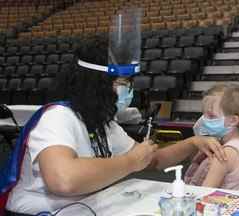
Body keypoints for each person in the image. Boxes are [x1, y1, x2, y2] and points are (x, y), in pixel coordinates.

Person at [5, 36, 226, 215]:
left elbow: (152, 159)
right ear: (96, 85)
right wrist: (130, 162)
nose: (127, 91)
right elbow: (63, 180)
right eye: (122, 84)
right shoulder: (59, 117)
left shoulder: (103, 123)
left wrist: (192, 142)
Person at [184, 84, 239, 193]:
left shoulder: (223, 155)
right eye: (203, 114)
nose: (203, 120)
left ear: (233, 120)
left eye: (211, 116)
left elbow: (202, 195)